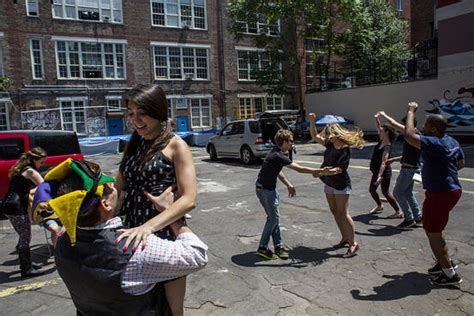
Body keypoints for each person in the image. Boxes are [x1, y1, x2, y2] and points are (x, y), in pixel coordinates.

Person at [38, 159, 208, 315]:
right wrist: (171, 214)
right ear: (105, 204)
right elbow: (198, 255)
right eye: (109, 186)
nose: (113, 184)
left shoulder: (61, 241)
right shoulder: (133, 247)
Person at [115, 84, 197, 316]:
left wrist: (148, 226)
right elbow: (116, 187)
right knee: (140, 307)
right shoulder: (133, 145)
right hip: (131, 233)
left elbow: (189, 198)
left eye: (142, 113)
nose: (136, 120)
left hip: (163, 233)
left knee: (173, 310)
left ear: (158, 111)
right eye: (131, 114)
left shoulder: (176, 145)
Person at [404, 101, 464, 286]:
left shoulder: (434, 143)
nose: (423, 127)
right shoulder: (451, 141)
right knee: (433, 230)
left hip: (440, 193)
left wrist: (411, 111)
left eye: (426, 125)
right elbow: (460, 164)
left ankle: (449, 274)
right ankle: (443, 263)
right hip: (450, 190)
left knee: (434, 232)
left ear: (434, 129)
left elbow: (409, 135)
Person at [255, 129, 334, 260]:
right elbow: (299, 169)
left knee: (274, 218)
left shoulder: (276, 152)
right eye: (291, 141)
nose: (293, 144)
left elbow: (277, 171)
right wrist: (320, 170)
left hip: (267, 189)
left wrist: (288, 184)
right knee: (273, 218)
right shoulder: (277, 155)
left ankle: (278, 246)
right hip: (265, 190)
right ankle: (262, 247)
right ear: (284, 142)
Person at [309, 113, 365, 258]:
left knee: (343, 212)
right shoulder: (329, 143)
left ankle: (353, 243)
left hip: (340, 184)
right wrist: (312, 121)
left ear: (335, 133)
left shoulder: (344, 149)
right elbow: (315, 136)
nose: (326, 137)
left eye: (328, 134)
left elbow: (340, 169)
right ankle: (345, 237)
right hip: (329, 182)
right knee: (334, 210)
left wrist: (324, 172)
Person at [2, 147, 47, 277]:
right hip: (16, 207)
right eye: (41, 162)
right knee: (25, 237)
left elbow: (24, 189)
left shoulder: (22, 167)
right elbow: (43, 186)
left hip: (9, 205)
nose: (42, 165)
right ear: (34, 159)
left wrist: (31, 191)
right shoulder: (31, 171)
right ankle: (26, 269)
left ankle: (28, 264)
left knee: (24, 235)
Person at [378, 111, 423, 229]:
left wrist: (383, 114)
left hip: (408, 170)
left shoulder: (411, 133)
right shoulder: (417, 135)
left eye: (405, 125)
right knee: (408, 193)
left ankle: (409, 219)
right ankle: (418, 217)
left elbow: (392, 123)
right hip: (414, 168)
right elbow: (409, 155)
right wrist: (395, 159)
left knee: (397, 193)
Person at [368, 113, 401, 217]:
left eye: (382, 130)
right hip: (376, 171)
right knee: (372, 190)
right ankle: (379, 205)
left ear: (386, 132)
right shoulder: (382, 140)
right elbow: (378, 126)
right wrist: (377, 118)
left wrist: (379, 176)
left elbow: (384, 162)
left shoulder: (387, 146)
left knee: (385, 192)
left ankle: (398, 211)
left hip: (383, 173)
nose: (379, 131)